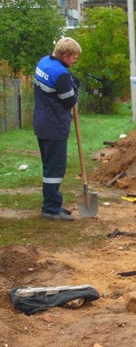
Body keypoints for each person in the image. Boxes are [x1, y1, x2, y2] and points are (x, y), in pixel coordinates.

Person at [33, 37, 81, 221]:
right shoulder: (61, 74)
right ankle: (51, 208)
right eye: (74, 57)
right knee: (55, 169)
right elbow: (70, 100)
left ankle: (51, 204)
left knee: (49, 166)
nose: (75, 61)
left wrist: (69, 79)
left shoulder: (44, 62)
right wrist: (74, 87)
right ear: (64, 55)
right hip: (54, 126)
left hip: (41, 122)